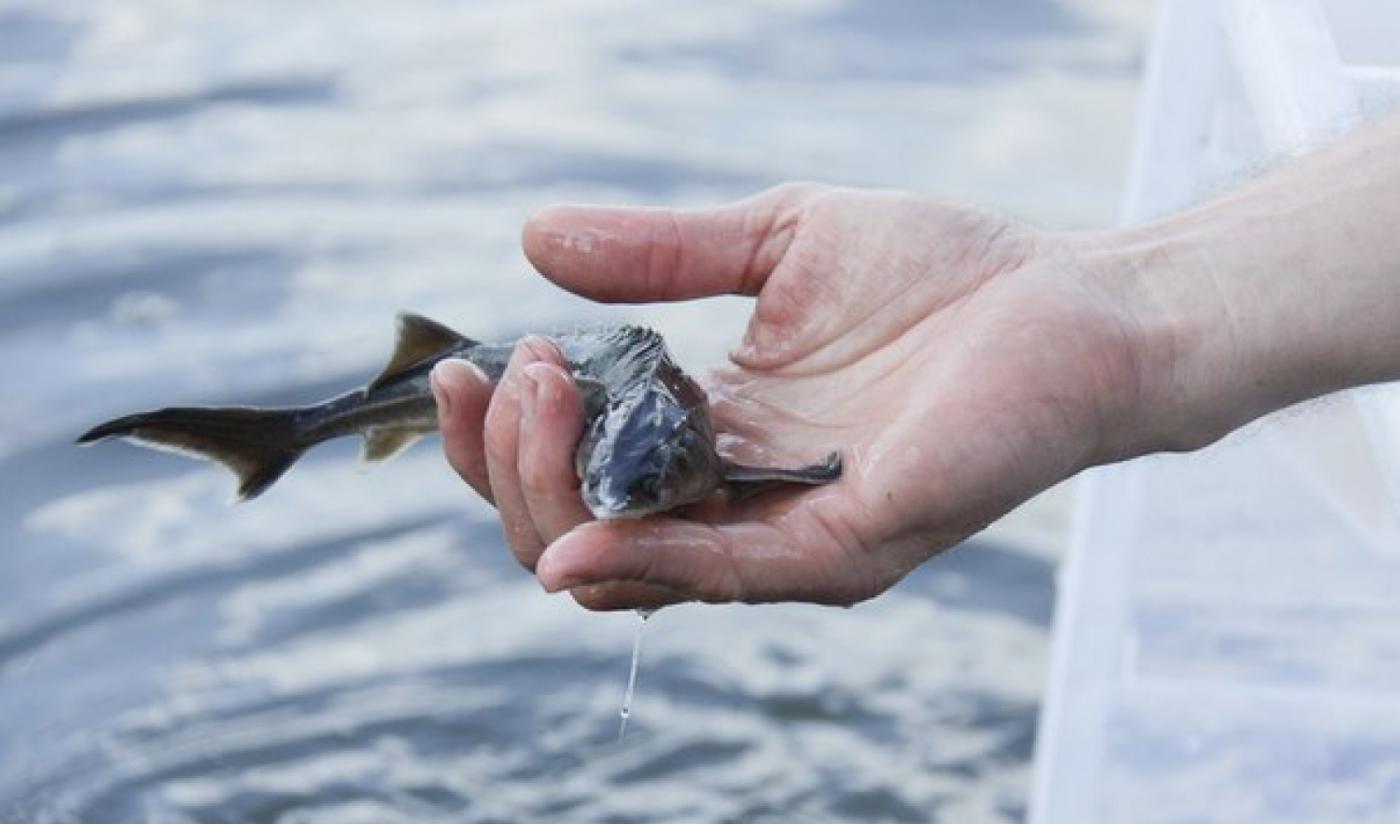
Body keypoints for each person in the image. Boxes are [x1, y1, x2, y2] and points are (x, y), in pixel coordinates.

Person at [428, 115, 1400, 612]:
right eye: (616, 488)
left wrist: (1115, 312)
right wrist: (1114, 309)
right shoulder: (634, 437)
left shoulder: (701, 456)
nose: (621, 505)